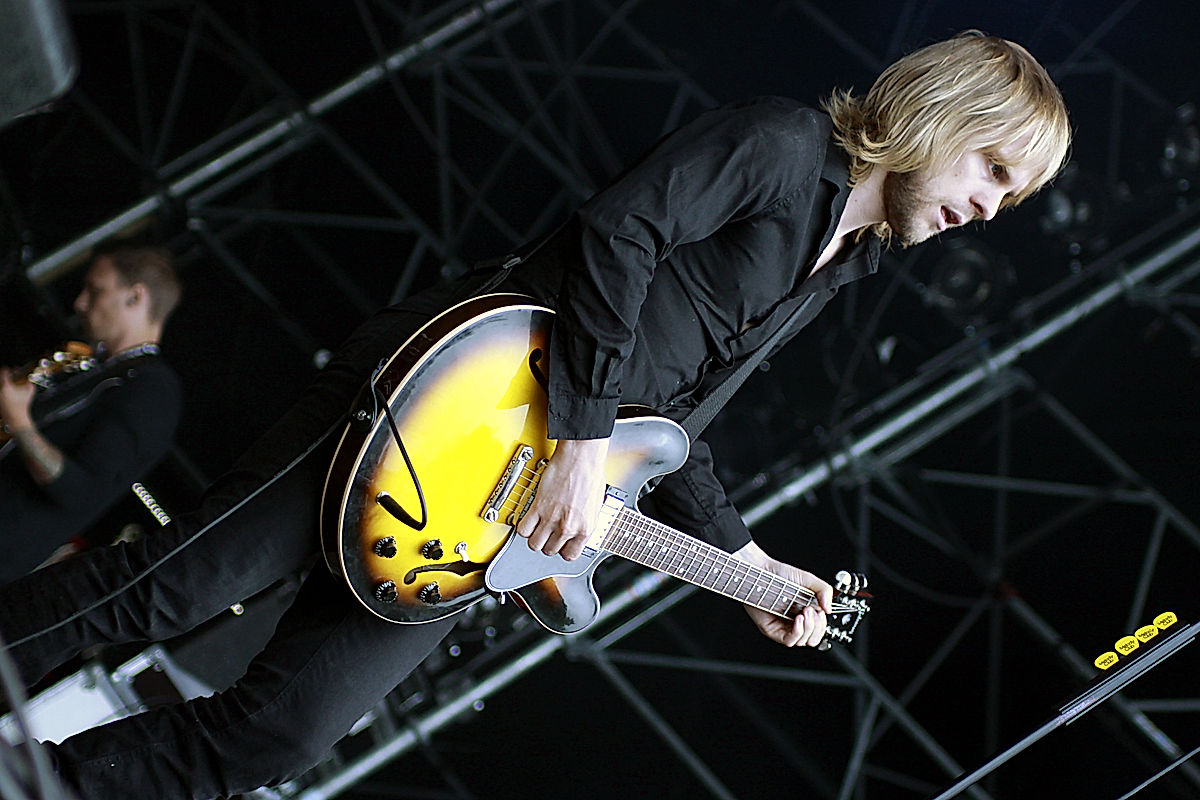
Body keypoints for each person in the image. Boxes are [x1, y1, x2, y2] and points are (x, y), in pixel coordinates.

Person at [0, 31, 1069, 800]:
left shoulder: (837, 273)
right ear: (946, 115)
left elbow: (676, 424)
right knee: (166, 588)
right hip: (431, 407)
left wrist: (749, 565)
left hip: (481, 512)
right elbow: (617, 231)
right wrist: (579, 438)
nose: (990, 204)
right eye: (993, 169)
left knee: (282, 730)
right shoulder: (785, 147)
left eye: (1011, 196)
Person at [0, 245, 183, 583]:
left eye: (96, 291)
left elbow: (76, 490)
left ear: (135, 297)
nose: (80, 303)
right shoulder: (97, 368)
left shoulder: (153, 391)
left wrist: (20, 421)